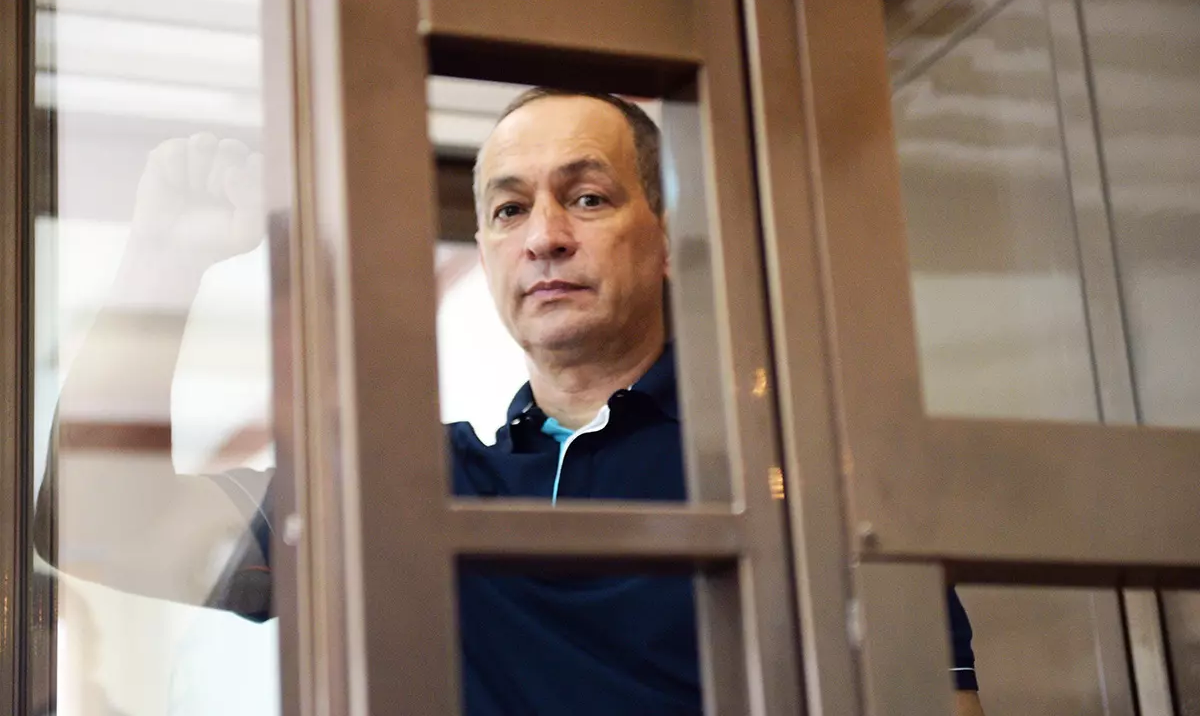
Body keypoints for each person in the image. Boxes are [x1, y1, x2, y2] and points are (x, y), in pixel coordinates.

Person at [38, 89, 984, 715]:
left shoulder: (799, 479)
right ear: (488, 250)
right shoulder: (419, 487)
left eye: (588, 197)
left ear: (666, 242)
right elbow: (100, 521)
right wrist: (162, 260)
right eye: (508, 208)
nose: (544, 236)